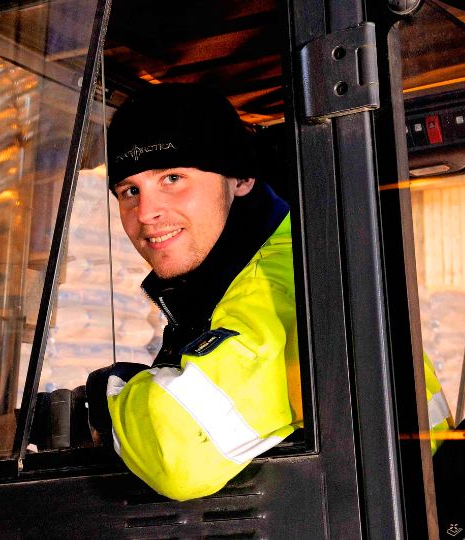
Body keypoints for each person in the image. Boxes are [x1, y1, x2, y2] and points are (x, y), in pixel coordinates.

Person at [85, 83, 303, 501]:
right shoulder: (217, 281)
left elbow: (179, 451)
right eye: (130, 190)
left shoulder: (277, 280)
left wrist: (103, 396)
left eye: (172, 178)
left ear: (240, 178)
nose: (146, 213)